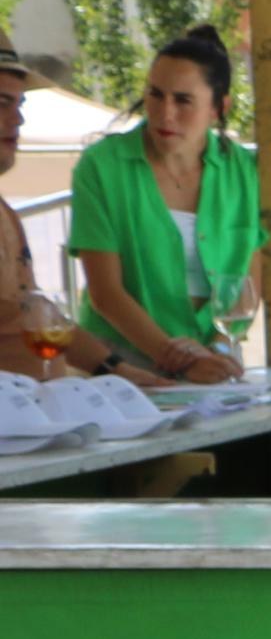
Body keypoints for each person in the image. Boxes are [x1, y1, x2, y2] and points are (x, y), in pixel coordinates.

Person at [68, 28, 257, 382]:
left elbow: (248, 274)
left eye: (183, 100)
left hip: (216, 359)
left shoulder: (240, 168)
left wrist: (217, 350)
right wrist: (181, 360)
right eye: (155, 94)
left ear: (219, 108)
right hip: (121, 364)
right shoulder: (102, 165)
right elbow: (105, 293)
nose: (165, 113)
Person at [0, 53, 116, 380]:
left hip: (36, 417)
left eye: (20, 104)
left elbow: (34, 312)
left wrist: (117, 370)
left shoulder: (7, 214)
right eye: (2, 103)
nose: (18, 119)